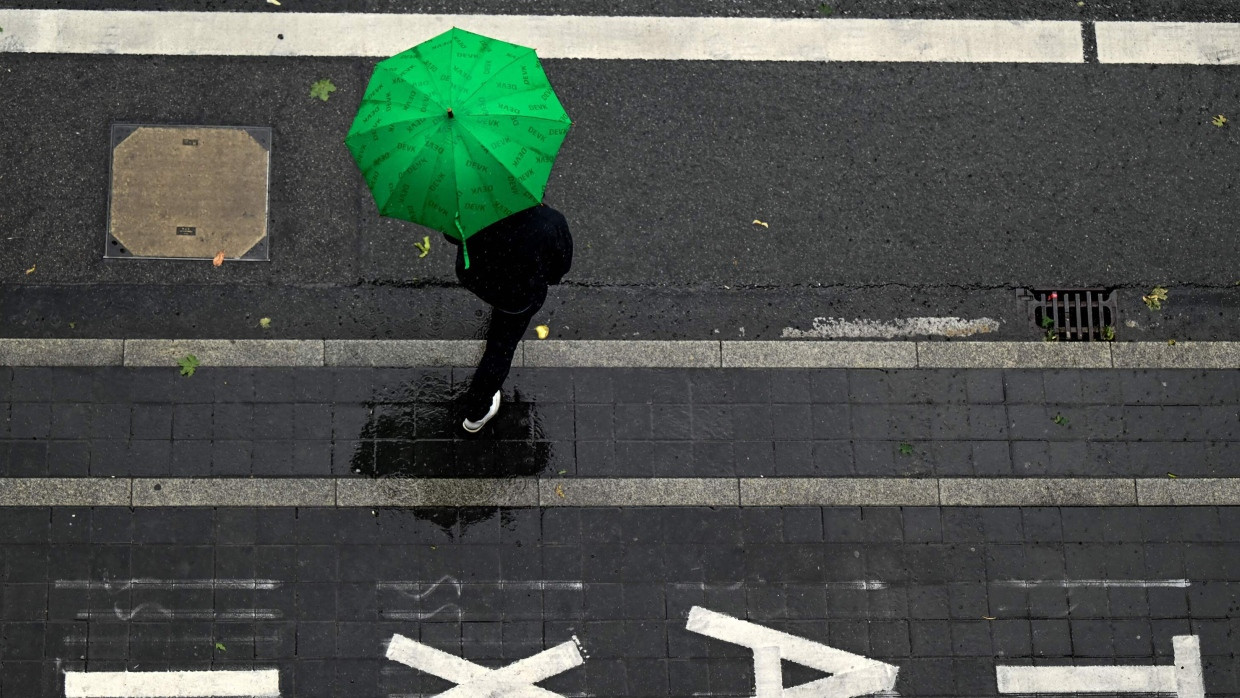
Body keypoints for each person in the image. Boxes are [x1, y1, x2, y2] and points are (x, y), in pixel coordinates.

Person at [442, 203, 573, 433]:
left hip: (477, 277)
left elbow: (451, 235)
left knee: (499, 319)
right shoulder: (550, 223)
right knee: (500, 349)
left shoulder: (473, 203)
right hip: (518, 297)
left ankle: (477, 414)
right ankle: (476, 413)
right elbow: (559, 267)